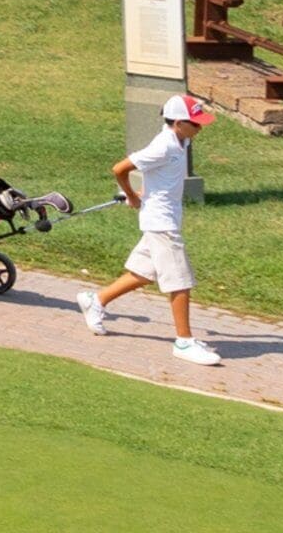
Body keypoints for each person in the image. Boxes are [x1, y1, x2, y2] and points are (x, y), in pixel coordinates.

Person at [82, 93, 220, 364]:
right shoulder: (163, 146)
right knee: (179, 280)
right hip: (162, 223)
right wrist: (132, 196)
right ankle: (184, 342)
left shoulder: (182, 139)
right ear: (178, 123)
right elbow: (119, 169)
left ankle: (95, 300)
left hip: (164, 216)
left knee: (144, 273)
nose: (200, 127)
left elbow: (162, 176)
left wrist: (149, 190)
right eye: (195, 123)